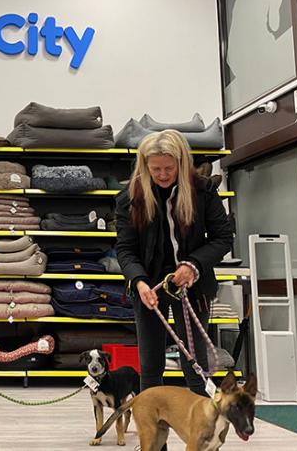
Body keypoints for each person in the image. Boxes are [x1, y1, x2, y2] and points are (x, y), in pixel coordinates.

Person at [115, 129, 233, 400]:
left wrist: (193, 265)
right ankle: (152, 425)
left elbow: (223, 238)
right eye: (155, 169)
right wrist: (138, 281)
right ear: (144, 166)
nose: (163, 174)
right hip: (149, 287)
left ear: (181, 163)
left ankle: (202, 421)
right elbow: (125, 249)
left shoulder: (203, 191)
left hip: (193, 287)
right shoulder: (130, 198)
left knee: (195, 364)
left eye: (169, 168)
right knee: (150, 365)